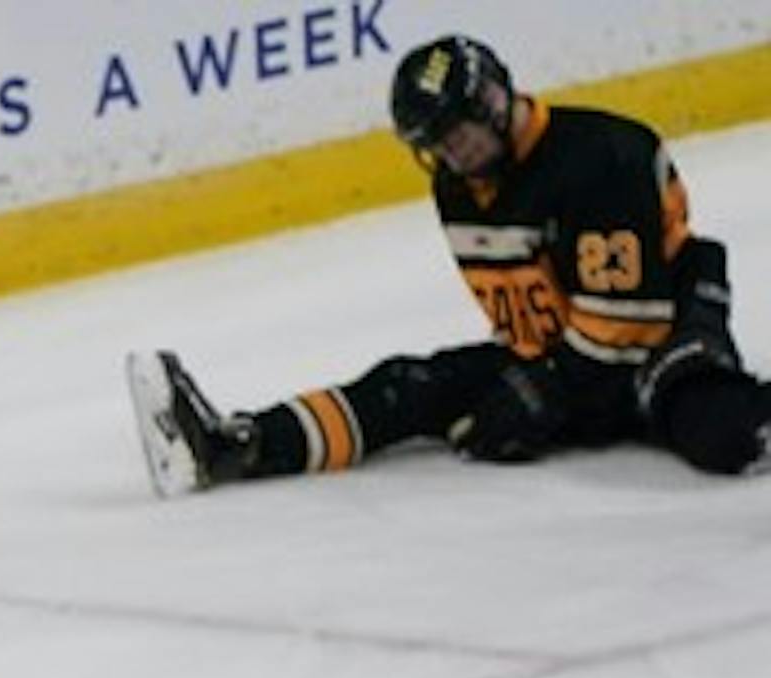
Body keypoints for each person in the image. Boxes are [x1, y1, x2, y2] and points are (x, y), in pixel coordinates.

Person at [128, 33, 771, 495]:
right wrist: (527, 387)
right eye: (437, 146)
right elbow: (529, 325)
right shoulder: (458, 185)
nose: (453, 156)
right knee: (411, 386)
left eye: (458, 135)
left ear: (492, 103)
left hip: (661, 341)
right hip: (562, 358)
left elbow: (625, 326)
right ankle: (236, 445)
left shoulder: (600, 157)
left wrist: (538, 393)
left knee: (718, 432)